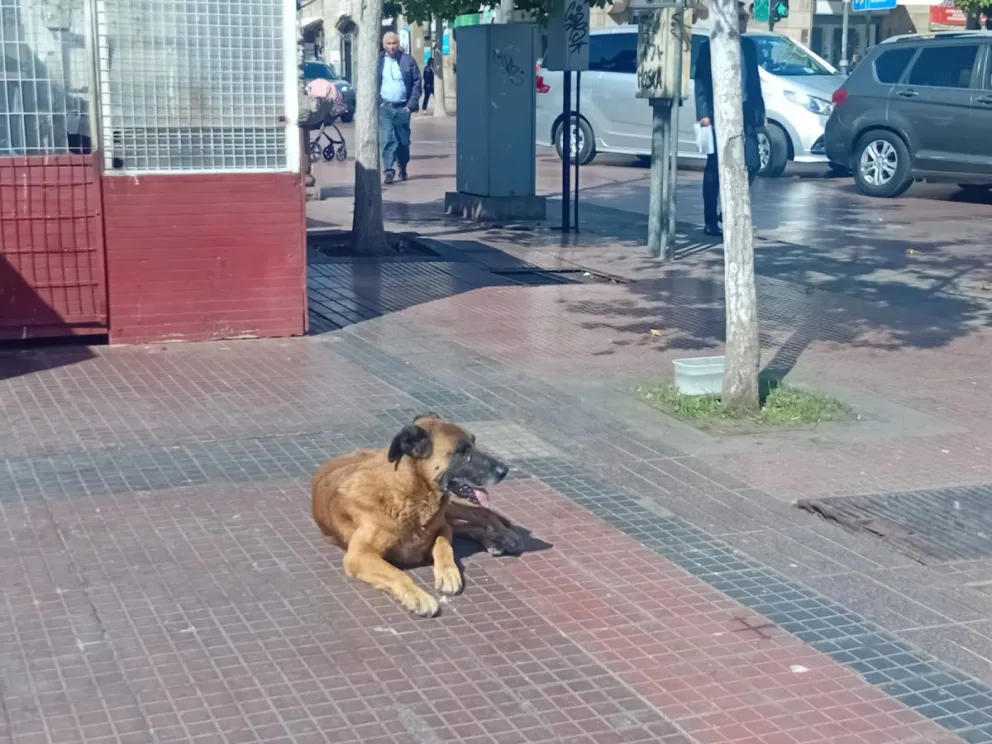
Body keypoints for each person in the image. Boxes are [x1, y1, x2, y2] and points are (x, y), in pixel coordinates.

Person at [693, 0, 766, 238]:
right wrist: (704, 114)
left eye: (746, 17)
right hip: (717, 113)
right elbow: (701, 83)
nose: (746, 21)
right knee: (715, 166)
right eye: (743, 17)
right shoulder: (710, 46)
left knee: (753, 161)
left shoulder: (750, 47)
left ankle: (729, 210)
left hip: (744, 110)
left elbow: (754, 80)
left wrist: (760, 110)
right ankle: (709, 220)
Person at [377, 31, 422, 184]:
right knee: (387, 139)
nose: (392, 46)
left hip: (403, 108)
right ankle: (388, 170)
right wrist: (378, 102)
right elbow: (372, 83)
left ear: (398, 44)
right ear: (384, 45)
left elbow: (417, 82)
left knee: (403, 142)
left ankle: (402, 166)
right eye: (389, 44)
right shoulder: (378, 61)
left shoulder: (407, 60)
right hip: (385, 107)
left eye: (394, 43)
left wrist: (411, 106)